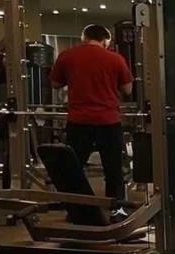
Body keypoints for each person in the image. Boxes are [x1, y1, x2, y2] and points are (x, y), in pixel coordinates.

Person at [50, 23, 134, 202]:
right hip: (108, 121)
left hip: (79, 121)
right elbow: (127, 89)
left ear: (84, 38)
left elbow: (55, 83)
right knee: (113, 168)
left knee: (74, 167)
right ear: (105, 41)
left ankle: (75, 207)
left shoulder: (67, 56)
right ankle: (116, 208)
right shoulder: (115, 59)